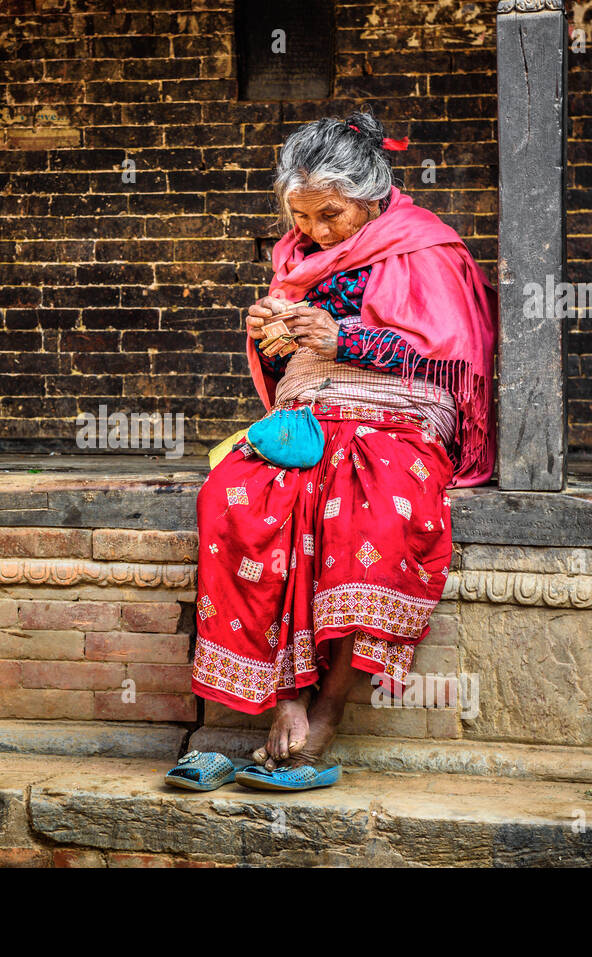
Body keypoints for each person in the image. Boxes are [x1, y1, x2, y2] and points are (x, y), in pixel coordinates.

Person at [189, 112, 497, 787]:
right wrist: (273, 339)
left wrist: (346, 341)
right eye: (303, 218)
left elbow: (451, 365)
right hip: (311, 417)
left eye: (330, 214)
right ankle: (284, 699)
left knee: (369, 509)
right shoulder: (293, 258)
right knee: (232, 496)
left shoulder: (428, 250)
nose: (317, 233)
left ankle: (327, 711)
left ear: (371, 193)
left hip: (400, 423)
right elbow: (282, 380)